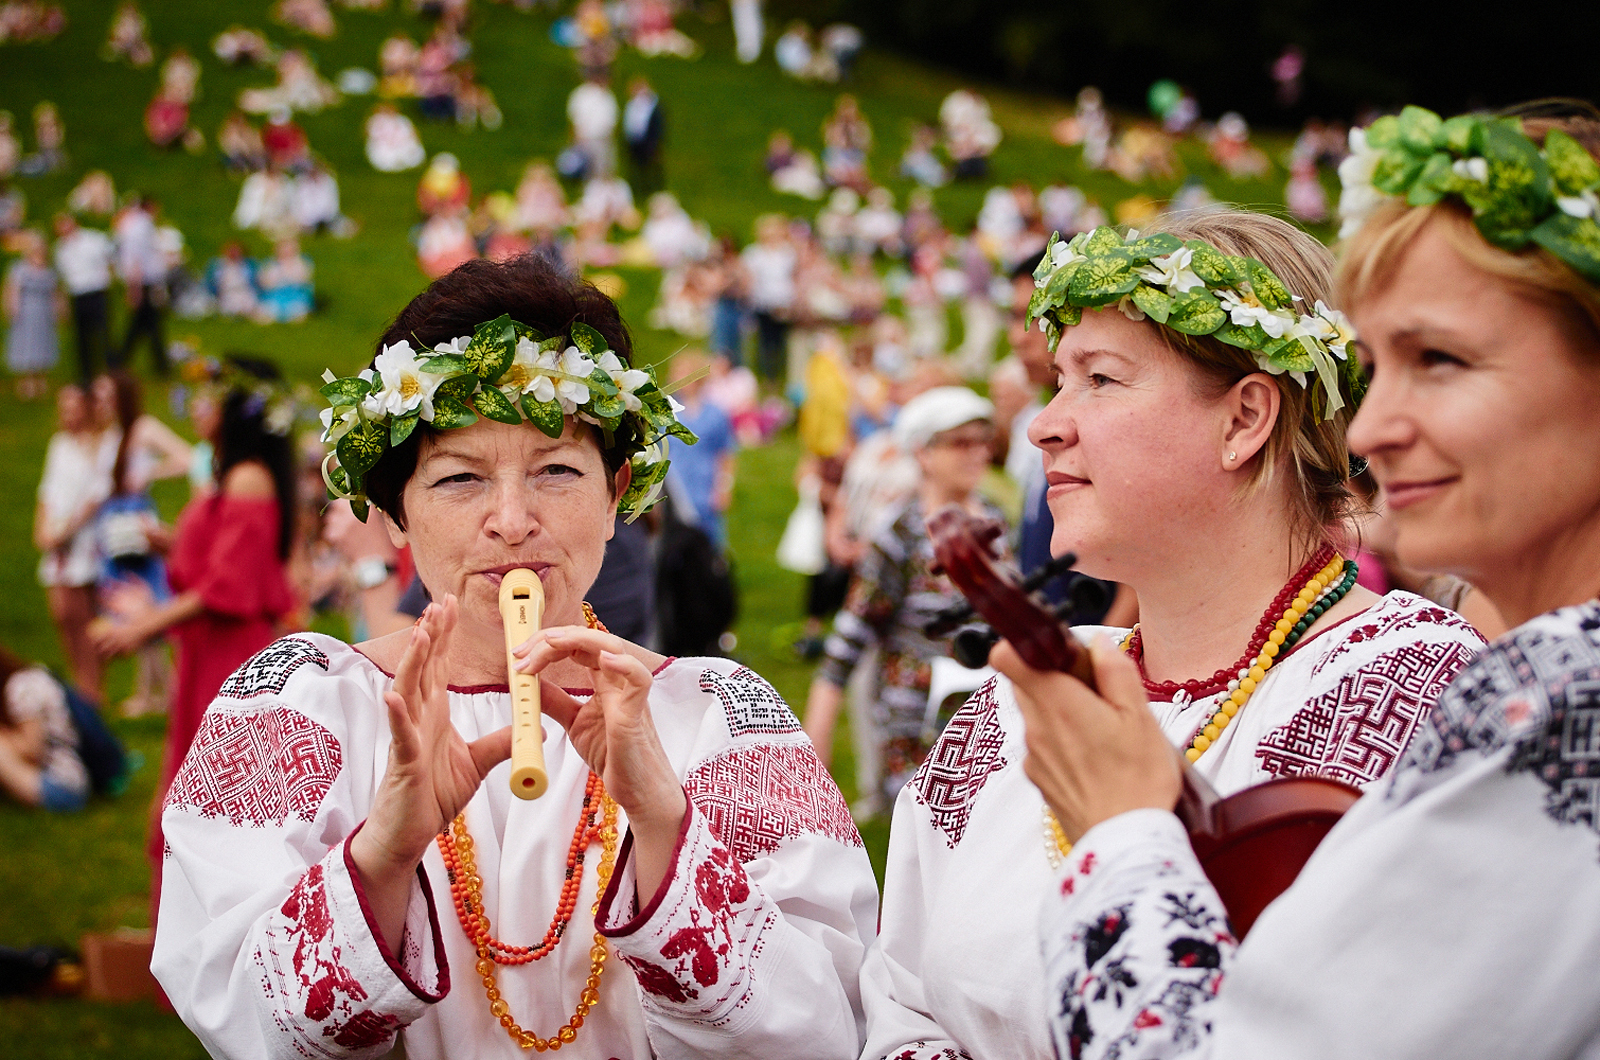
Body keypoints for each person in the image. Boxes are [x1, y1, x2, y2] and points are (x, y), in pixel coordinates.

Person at [152, 255, 876, 1059]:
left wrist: (666, 827)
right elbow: (238, 1018)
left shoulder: (719, 716)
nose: (511, 519)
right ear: (395, 515)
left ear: (617, 497)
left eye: (557, 471)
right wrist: (382, 856)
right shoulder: (299, 706)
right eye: (460, 479)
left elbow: (826, 1027)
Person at [1021, 103, 1600, 1060]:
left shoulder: (1562, 697)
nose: (1370, 431)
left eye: (1441, 360)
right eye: (1378, 369)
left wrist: (1121, 832)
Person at [859, 210, 1488, 1060]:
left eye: (1101, 380)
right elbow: (899, 998)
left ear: (1245, 419)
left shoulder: (1424, 695)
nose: (1044, 424)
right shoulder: (1007, 706)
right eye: (1055, 380)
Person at [91, 357, 297, 923]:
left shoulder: (248, 478)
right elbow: (217, 569)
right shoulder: (231, 478)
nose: (196, 408)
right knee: (184, 807)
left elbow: (225, 587)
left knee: (206, 811)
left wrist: (140, 627)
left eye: (208, 397)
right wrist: (165, 546)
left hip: (230, 658)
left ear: (236, 410)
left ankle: (213, 950)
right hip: (205, 653)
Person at [803, 386, 1005, 800]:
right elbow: (850, 636)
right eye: (960, 443)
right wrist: (816, 739)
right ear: (924, 454)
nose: (977, 454)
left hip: (993, 718)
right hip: (919, 729)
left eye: (982, 441)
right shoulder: (901, 534)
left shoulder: (1000, 523)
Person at [91, 370, 191, 716]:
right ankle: (150, 690)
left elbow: (187, 456)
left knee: (146, 596)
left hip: (133, 520)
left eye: (107, 396)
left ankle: (158, 692)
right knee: (129, 599)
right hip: (112, 521)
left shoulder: (142, 428)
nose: (101, 404)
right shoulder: (108, 435)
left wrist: (150, 474)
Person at [35, 384, 117, 703]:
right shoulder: (60, 444)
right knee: (60, 612)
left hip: (83, 539)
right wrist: (42, 528)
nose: (66, 415)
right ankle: (80, 686)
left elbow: (96, 495)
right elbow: (48, 490)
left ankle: (92, 689)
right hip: (57, 537)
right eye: (62, 409)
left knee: (83, 615)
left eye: (73, 408)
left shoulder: (101, 444)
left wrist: (65, 531)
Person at [0, 645, 89, 812]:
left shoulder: (20, 688)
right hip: (71, 779)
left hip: (63, 787)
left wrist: (4, 736)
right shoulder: (28, 678)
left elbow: (33, 750)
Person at [52, 213, 114, 384]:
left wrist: (108, 276)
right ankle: (85, 374)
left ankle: (110, 371)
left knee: (103, 333)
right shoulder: (60, 249)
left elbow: (109, 257)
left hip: (96, 290)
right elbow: (62, 276)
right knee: (81, 337)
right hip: (77, 294)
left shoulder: (92, 239)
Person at [113, 195, 169, 376]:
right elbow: (135, 258)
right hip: (143, 282)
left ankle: (122, 360)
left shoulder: (138, 226)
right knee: (147, 324)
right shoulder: (140, 227)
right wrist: (134, 288)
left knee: (143, 325)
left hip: (145, 281)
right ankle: (160, 366)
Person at [3, 228, 61, 399]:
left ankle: (41, 380)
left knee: (43, 342)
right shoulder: (19, 268)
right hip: (26, 311)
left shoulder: (48, 270)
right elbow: (12, 289)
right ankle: (26, 382)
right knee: (26, 343)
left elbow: (55, 293)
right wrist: (12, 307)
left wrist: (58, 310)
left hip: (44, 312)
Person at [622, 76, 665, 197]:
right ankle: (639, 190)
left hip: (650, 142)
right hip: (635, 141)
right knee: (637, 168)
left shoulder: (654, 105)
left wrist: (656, 143)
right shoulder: (632, 105)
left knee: (652, 168)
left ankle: (655, 191)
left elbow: (658, 126)